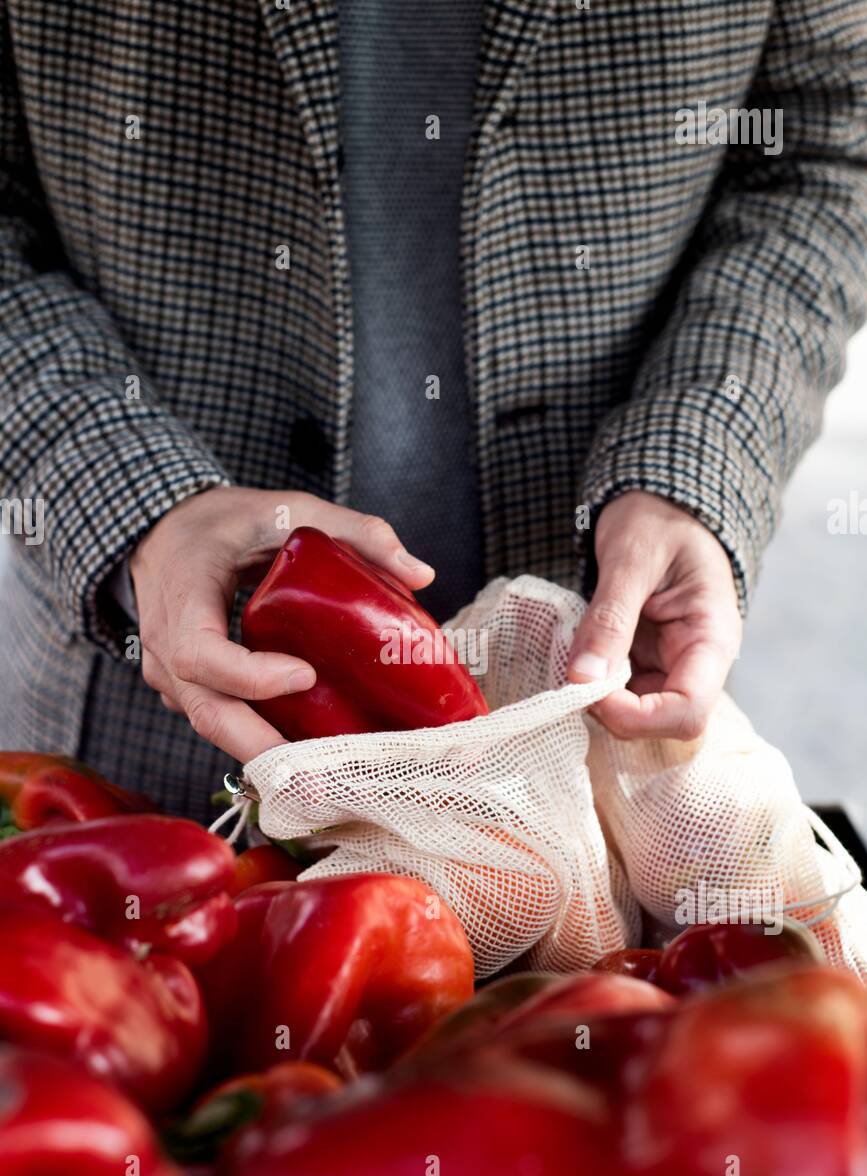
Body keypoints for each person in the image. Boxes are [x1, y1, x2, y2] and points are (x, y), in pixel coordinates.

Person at [0, 1, 864, 820]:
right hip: (133, 718)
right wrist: (125, 496)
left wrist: (693, 463)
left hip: (604, 714)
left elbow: (827, 146)